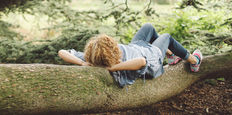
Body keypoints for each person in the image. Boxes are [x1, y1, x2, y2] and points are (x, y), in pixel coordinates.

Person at [58, 23, 202, 87]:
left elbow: (62, 52)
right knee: (167, 37)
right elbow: (141, 61)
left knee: (148, 27)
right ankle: (194, 61)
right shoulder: (120, 65)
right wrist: (113, 67)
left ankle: (171, 55)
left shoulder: (94, 58)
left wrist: (83, 63)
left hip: (136, 47)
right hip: (152, 57)